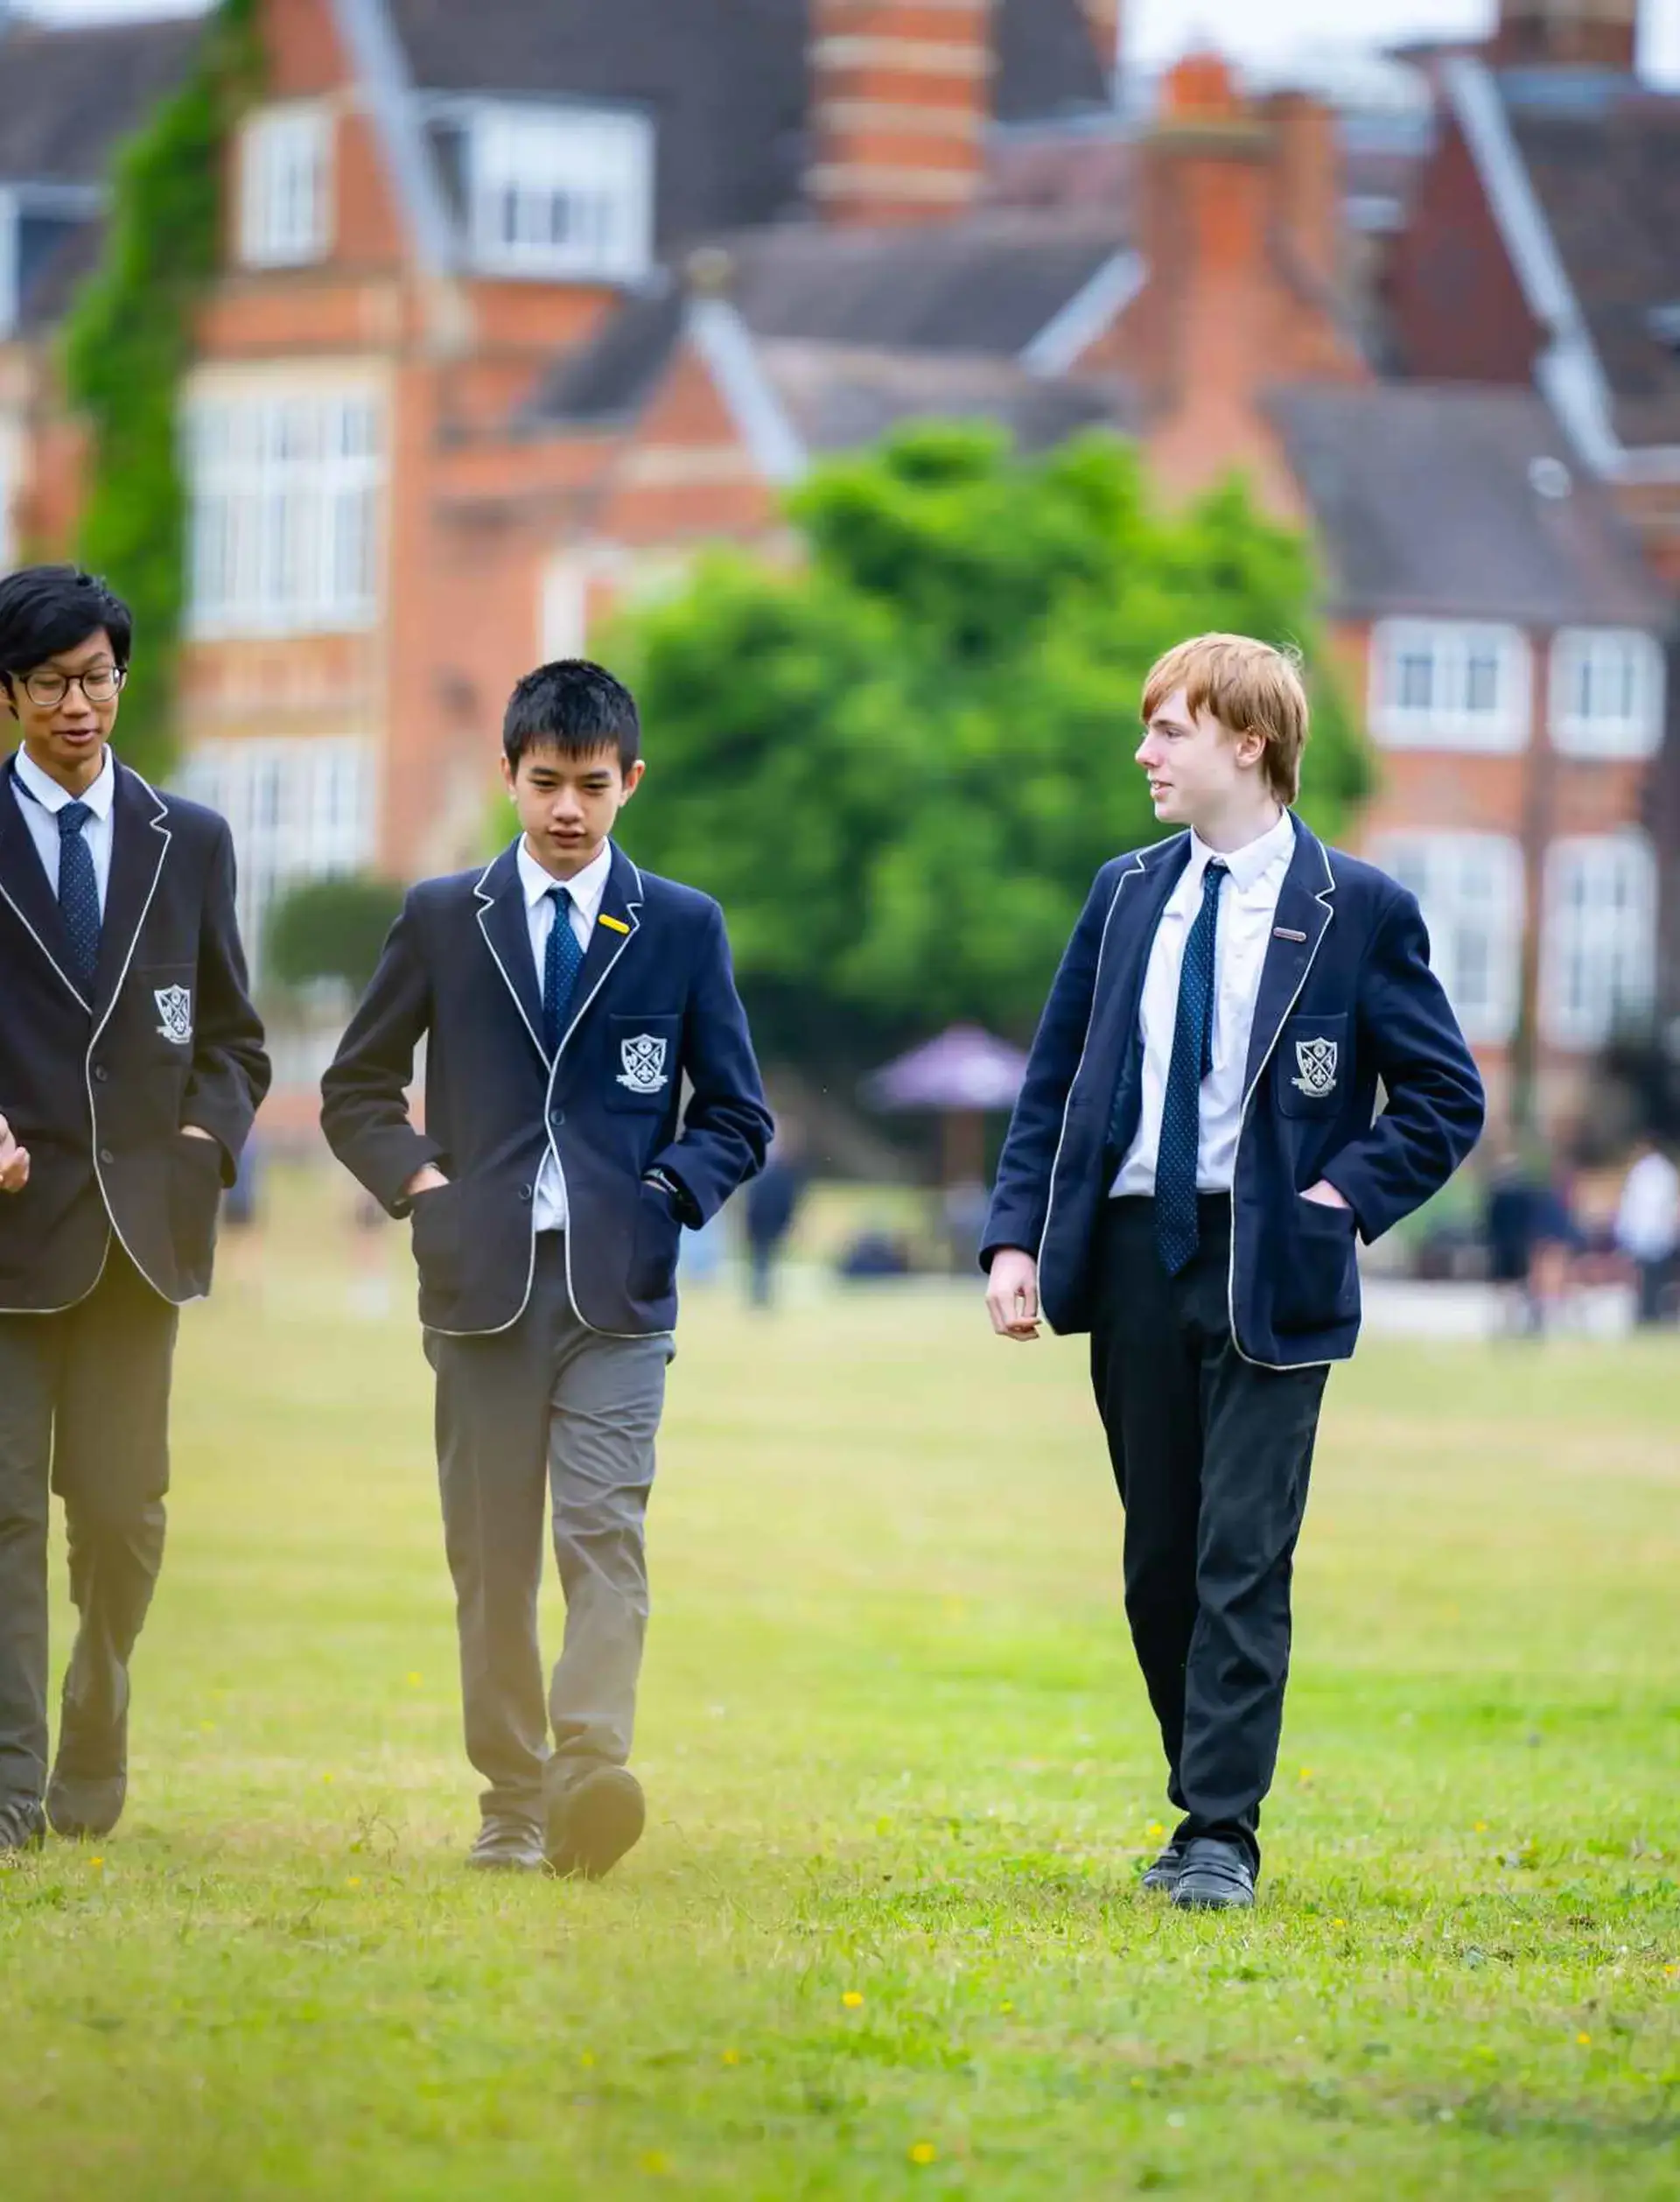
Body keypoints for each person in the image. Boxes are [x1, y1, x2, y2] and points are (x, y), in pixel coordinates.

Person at [982, 634, 1484, 1911]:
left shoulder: (1357, 909)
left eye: (1169, 730)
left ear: (1247, 745)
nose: (1145, 753)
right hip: (1136, 1262)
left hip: (1274, 1270)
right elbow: (1053, 1086)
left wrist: (1339, 1198)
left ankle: (1219, 1834)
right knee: (1161, 1563)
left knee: (1241, 1559)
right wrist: (1013, 1238)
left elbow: (1442, 1097)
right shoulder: (1124, 893)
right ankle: (1198, 1798)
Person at [321, 660, 771, 1877]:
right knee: (493, 1556)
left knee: (603, 1532)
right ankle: (511, 1801)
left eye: (590, 785)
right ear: (508, 778)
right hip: (480, 1295)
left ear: (631, 781)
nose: (567, 809)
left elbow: (737, 1114)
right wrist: (424, 1189)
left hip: (619, 1296)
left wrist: (667, 1195)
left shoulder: (681, 926)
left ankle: (588, 1771)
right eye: (544, 783)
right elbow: (356, 1089)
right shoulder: (439, 918)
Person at [0, 565, 269, 1855]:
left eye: (96, 678)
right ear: (9, 693)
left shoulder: (191, 840)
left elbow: (234, 1038)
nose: (77, 705)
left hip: (135, 1242)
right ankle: (11, 1786)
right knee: (1, 1514)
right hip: (3, 1241)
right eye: (51, 683)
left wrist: (204, 1148)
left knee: (118, 1511)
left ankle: (97, 1696)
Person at [1615, 1137, 1679, 1329]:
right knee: (1651, 1283)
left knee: (1650, 1282)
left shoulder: (1649, 1172)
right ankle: (1650, 1316)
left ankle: (1650, 1316)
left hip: (1651, 1237)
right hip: (1655, 1237)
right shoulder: (1663, 1171)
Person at [742, 1123, 808, 1308]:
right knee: (762, 1262)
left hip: (767, 1223)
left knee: (763, 1262)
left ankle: (762, 1297)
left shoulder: (779, 1173)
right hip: (764, 1223)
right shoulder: (776, 1174)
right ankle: (760, 1297)